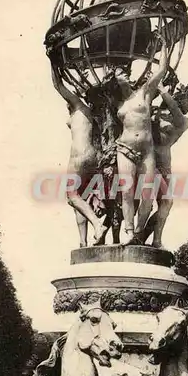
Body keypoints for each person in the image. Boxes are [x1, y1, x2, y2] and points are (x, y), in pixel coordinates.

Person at [105, 35, 168, 245]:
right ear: (116, 79)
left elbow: (161, 71)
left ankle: (139, 233)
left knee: (148, 197)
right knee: (127, 193)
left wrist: (165, 46)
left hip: (146, 151)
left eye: (124, 71)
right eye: (120, 72)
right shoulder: (117, 104)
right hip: (124, 149)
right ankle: (130, 232)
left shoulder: (144, 93)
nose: (124, 73)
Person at [51, 65, 107, 245]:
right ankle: (83, 242)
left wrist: (52, 61)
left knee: (72, 196)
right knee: (81, 200)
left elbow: (58, 85)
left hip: (79, 156)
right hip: (95, 157)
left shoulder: (79, 107)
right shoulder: (94, 114)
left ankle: (98, 224)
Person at [140, 81, 188, 248]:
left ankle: (150, 238)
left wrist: (163, 90)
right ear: (179, 98)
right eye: (187, 102)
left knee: (165, 202)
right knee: (153, 200)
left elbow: (174, 110)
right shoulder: (155, 111)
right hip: (148, 161)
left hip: (164, 165)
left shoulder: (183, 121)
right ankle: (146, 237)